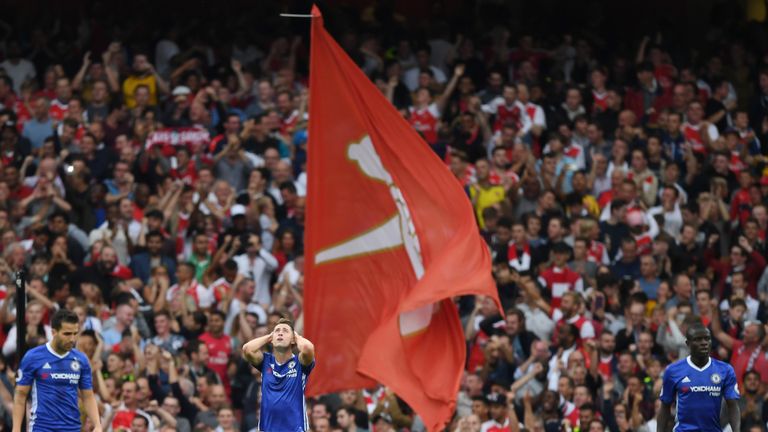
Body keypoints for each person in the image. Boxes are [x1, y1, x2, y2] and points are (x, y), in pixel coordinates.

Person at [12, 309, 102, 432]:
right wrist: (16, 429)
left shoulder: (81, 359)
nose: (72, 339)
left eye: (75, 333)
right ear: (54, 332)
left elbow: (88, 396)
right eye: (67, 334)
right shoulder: (33, 357)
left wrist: (97, 424)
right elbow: (20, 395)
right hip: (42, 427)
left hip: (72, 428)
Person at [656, 322, 740, 432]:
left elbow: (733, 406)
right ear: (688, 343)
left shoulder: (725, 370)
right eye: (698, 339)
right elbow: (665, 407)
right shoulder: (673, 371)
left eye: (707, 339)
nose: (704, 343)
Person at [241, 317, 315, 432]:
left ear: (293, 340)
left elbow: (307, 348)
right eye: (277, 331)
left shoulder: (299, 363)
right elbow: (247, 349)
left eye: (285, 331)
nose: (280, 333)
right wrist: (270, 337)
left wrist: (297, 337)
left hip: (295, 429)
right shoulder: (266, 361)